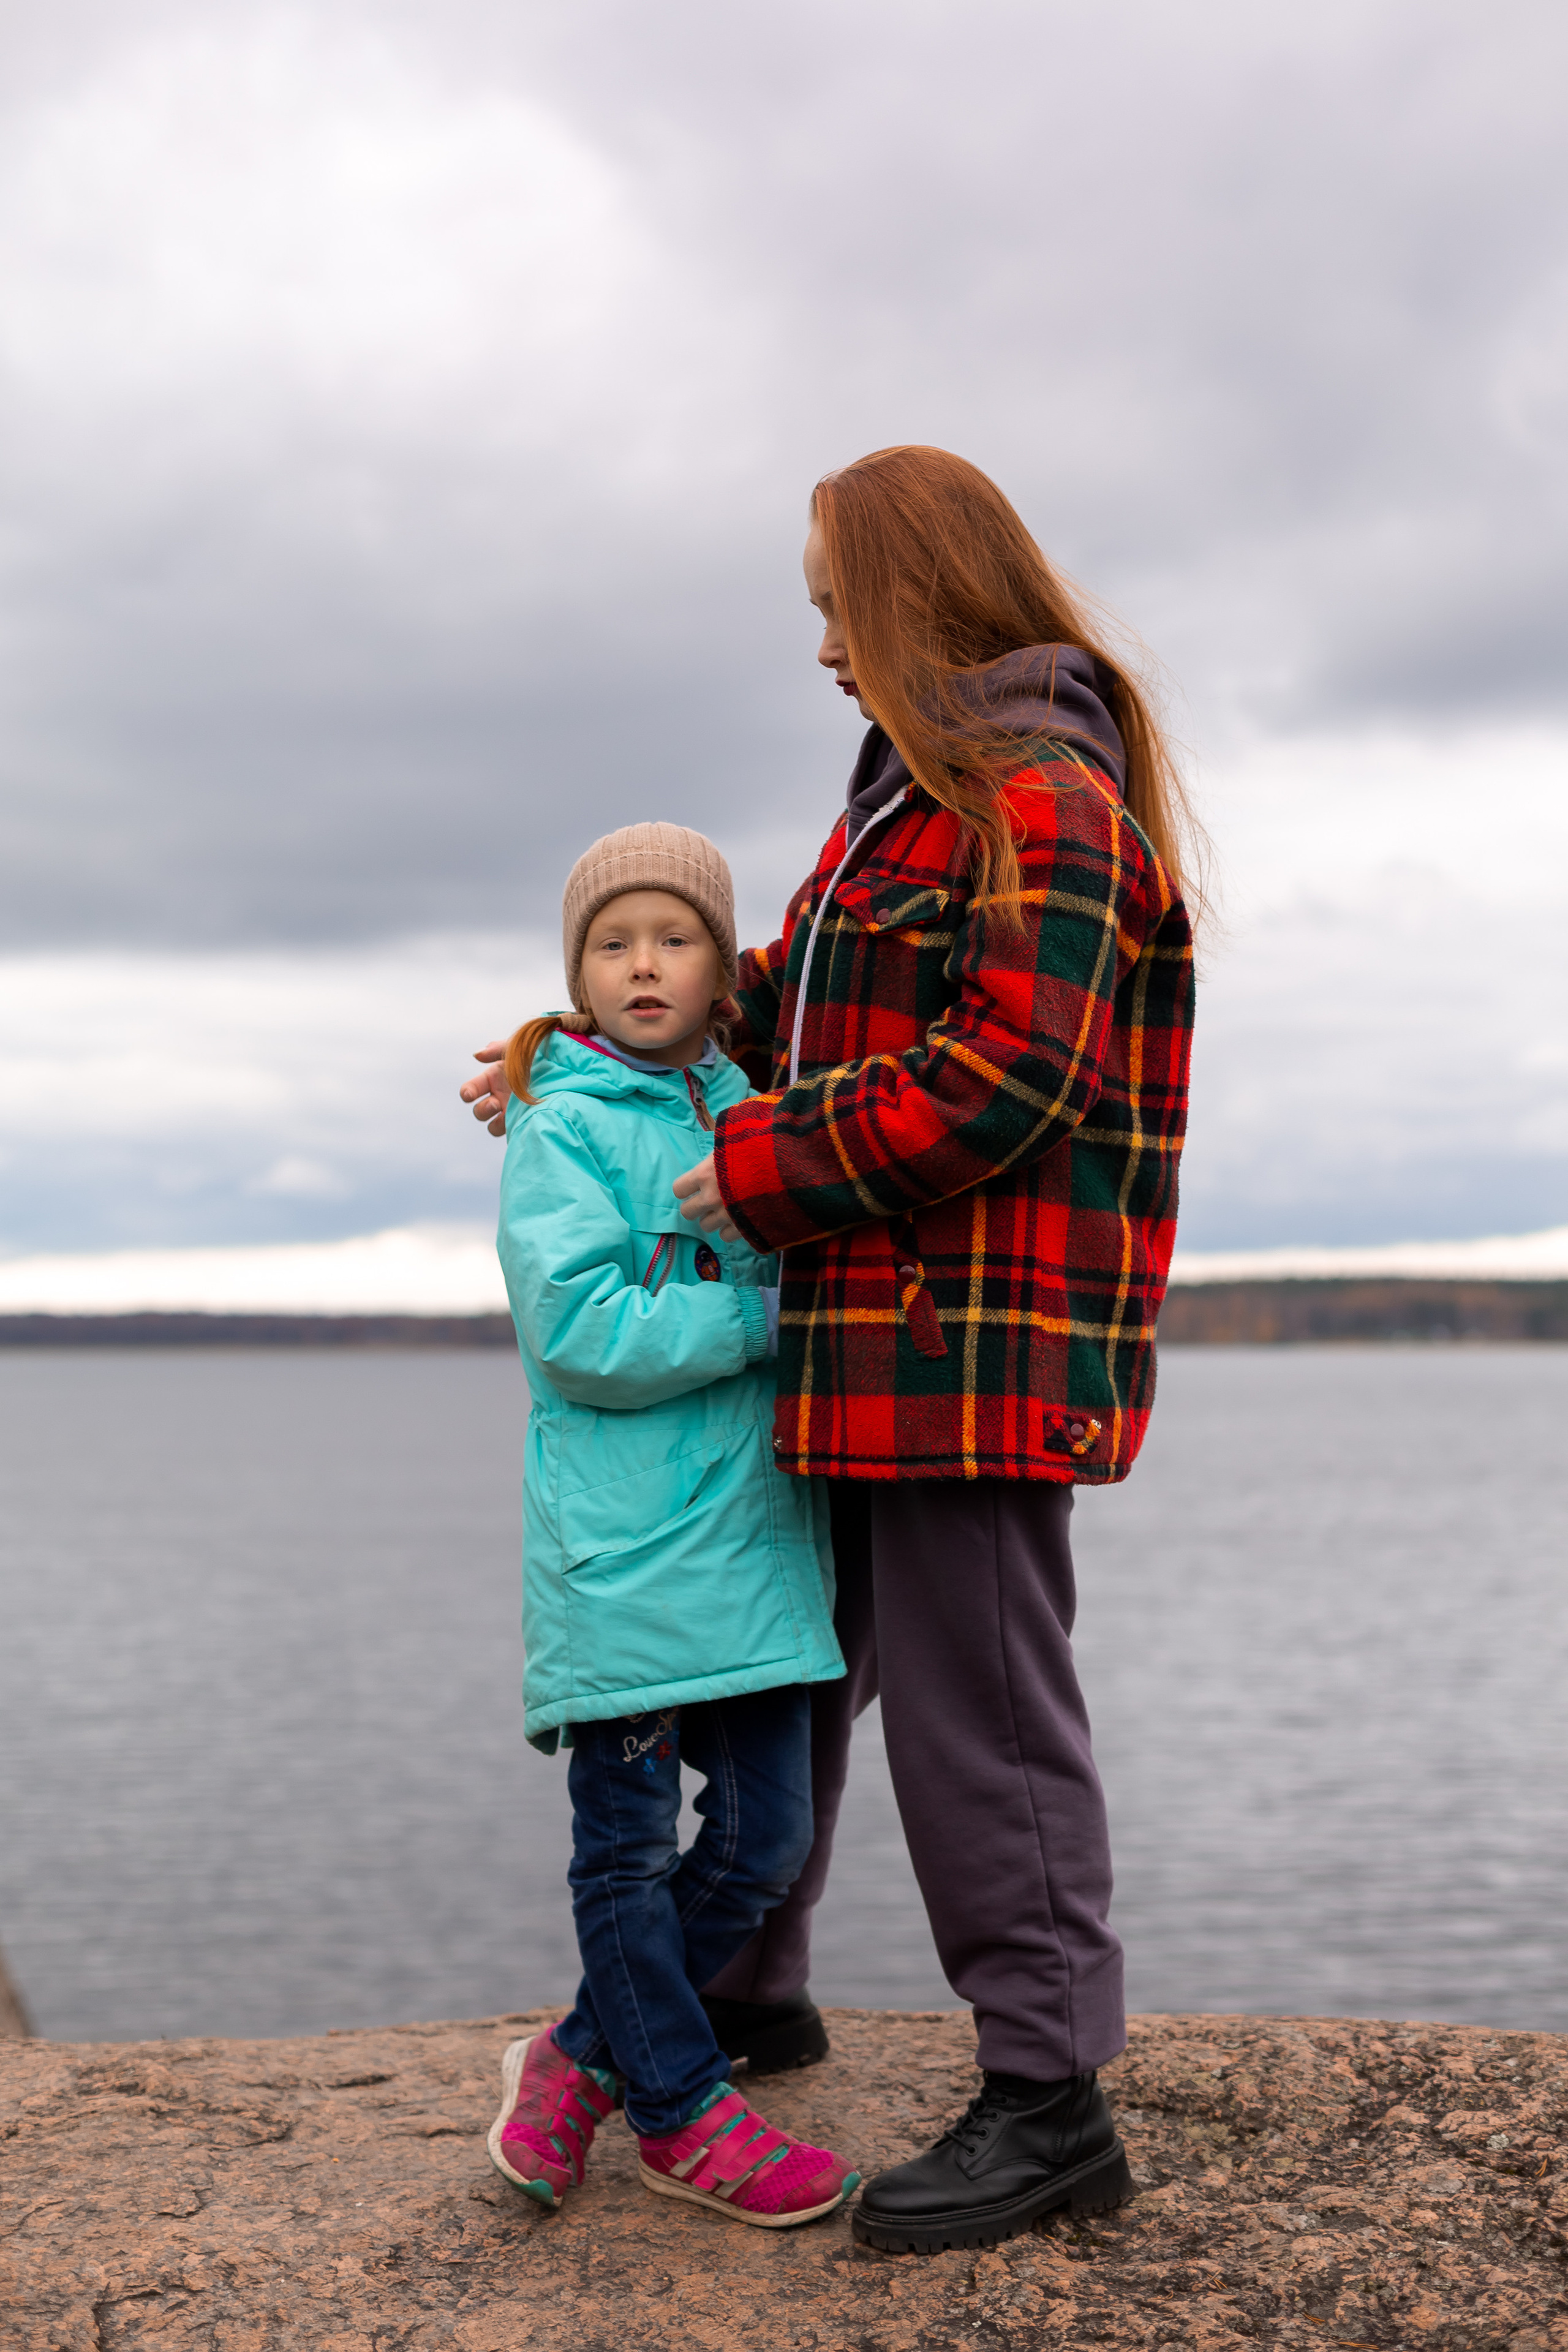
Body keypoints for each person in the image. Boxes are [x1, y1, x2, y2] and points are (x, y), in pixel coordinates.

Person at [464, 446, 1197, 2255]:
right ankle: (747, 1996)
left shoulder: (1048, 796)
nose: (818, 649)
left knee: (984, 1726)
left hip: (976, 1355)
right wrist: (584, 1047)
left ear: (917, 592)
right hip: (867, 1348)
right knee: (804, 1678)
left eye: (828, 604)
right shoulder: (914, 800)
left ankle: (1049, 2097)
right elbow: (783, 993)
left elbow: (1008, 1077)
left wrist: (732, 1163)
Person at [484, 819, 859, 2229]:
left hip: (758, 1546)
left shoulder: (753, 1110)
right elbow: (577, 1330)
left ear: (722, 971)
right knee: (627, 1846)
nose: (642, 964)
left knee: (765, 1844)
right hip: (626, 1557)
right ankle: (683, 2110)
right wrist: (764, 1321)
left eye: (675, 936)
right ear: (577, 976)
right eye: (609, 942)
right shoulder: (560, 1124)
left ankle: (586, 2054)